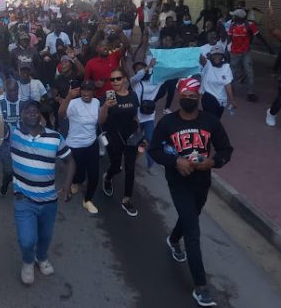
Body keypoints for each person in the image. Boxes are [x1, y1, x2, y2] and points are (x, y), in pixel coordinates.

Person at [148, 77, 234, 307]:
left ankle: (173, 239)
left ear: (199, 98)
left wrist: (213, 162)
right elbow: (154, 150)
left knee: (191, 217)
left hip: (202, 180)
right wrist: (175, 161)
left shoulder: (211, 121)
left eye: (192, 96)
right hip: (178, 181)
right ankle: (201, 287)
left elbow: (226, 149)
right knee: (193, 231)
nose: (188, 99)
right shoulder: (167, 123)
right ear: (179, 97)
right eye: (184, 96)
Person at [10, 100, 76, 285]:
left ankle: (42, 257)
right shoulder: (13, 135)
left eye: (35, 111)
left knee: (45, 236)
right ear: (21, 115)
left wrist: (67, 185)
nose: (32, 113)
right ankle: (28, 262)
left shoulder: (55, 138)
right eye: (27, 111)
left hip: (49, 201)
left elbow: (70, 161)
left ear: (40, 115)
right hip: (23, 199)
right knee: (27, 240)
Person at [99, 68, 140, 216]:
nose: (115, 82)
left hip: (130, 137)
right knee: (116, 165)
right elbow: (101, 120)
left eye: (118, 78)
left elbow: (135, 117)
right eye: (112, 80)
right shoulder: (108, 96)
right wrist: (105, 107)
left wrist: (140, 136)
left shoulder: (133, 96)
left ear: (124, 79)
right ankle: (108, 177)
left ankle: (127, 199)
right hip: (114, 137)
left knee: (130, 168)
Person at [58, 80, 102, 214]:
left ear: (93, 92)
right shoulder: (73, 103)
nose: (86, 93)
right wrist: (69, 97)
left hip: (92, 143)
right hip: (75, 145)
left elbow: (98, 121)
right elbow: (61, 114)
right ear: (80, 91)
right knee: (79, 174)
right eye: (84, 90)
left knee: (94, 174)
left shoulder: (96, 102)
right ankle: (75, 182)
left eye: (89, 90)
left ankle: (87, 200)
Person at [0, 79, 26, 196]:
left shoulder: (24, 102)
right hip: (5, 142)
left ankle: (20, 188)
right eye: (10, 91)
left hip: (22, 140)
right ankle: (5, 183)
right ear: (5, 90)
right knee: (8, 170)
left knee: (22, 167)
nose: (13, 93)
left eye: (15, 90)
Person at [130, 60, 160, 167]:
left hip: (149, 117)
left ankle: (150, 165)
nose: (140, 71)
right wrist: (148, 66)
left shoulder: (155, 81)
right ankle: (131, 160)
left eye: (141, 68)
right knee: (134, 141)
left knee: (150, 141)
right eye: (137, 69)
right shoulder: (134, 82)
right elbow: (138, 76)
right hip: (136, 117)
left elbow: (166, 76)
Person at [84, 29, 130, 99]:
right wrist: (94, 84)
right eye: (102, 46)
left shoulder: (115, 56)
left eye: (107, 45)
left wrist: (120, 31)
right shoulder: (90, 63)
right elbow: (85, 83)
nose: (105, 47)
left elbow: (126, 45)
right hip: (100, 97)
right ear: (97, 49)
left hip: (117, 95)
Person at [227, 9, 260, 102]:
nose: (233, 17)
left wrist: (268, 47)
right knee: (233, 72)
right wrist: (228, 48)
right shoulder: (232, 26)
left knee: (249, 72)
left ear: (239, 17)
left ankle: (250, 92)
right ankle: (230, 88)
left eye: (234, 16)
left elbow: (259, 35)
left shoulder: (250, 25)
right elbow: (229, 37)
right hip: (234, 52)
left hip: (246, 52)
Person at [199, 46, 236, 119]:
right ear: (211, 56)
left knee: (217, 119)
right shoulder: (207, 65)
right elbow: (201, 58)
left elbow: (227, 84)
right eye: (214, 55)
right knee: (210, 118)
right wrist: (195, 49)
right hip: (208, 97)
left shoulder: (226, 67)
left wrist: (232, 100)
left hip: (221, 100)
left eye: (219, 54)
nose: (217, 57)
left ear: (222, 56)